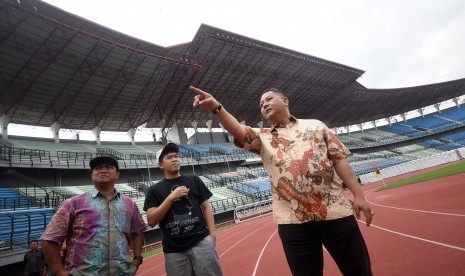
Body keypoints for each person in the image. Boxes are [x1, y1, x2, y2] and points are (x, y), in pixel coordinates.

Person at [190, 86, 374, 276]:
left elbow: (339, 160)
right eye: (261, 104)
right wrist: (217, 108)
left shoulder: (316, 126)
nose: (265, 104)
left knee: (358, 270)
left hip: (335, 211)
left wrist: (358, 196)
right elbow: (237, 130)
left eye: (269, 99)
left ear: (285, 100)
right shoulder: (262, 137)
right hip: (292, 222)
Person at [41, 156, 147, 276]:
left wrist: (137, 259)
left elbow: (137, 233)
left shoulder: (130, 204)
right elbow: (49, 239)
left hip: (123, 273)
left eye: (109, 167)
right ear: (92, 175)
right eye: (98, 168)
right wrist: (59, 271)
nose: (103, 170)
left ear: (117, 174)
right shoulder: (73, 203)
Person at [143, 143, 224, 276]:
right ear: (160, 165)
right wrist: (171, 198)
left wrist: (212, 236)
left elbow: (206, 207)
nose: (174, 159)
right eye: (169, 157)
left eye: (176, 156)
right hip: (173, 250)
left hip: (201, 241)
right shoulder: (154, 190)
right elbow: (151, 221)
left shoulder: (194, 180)